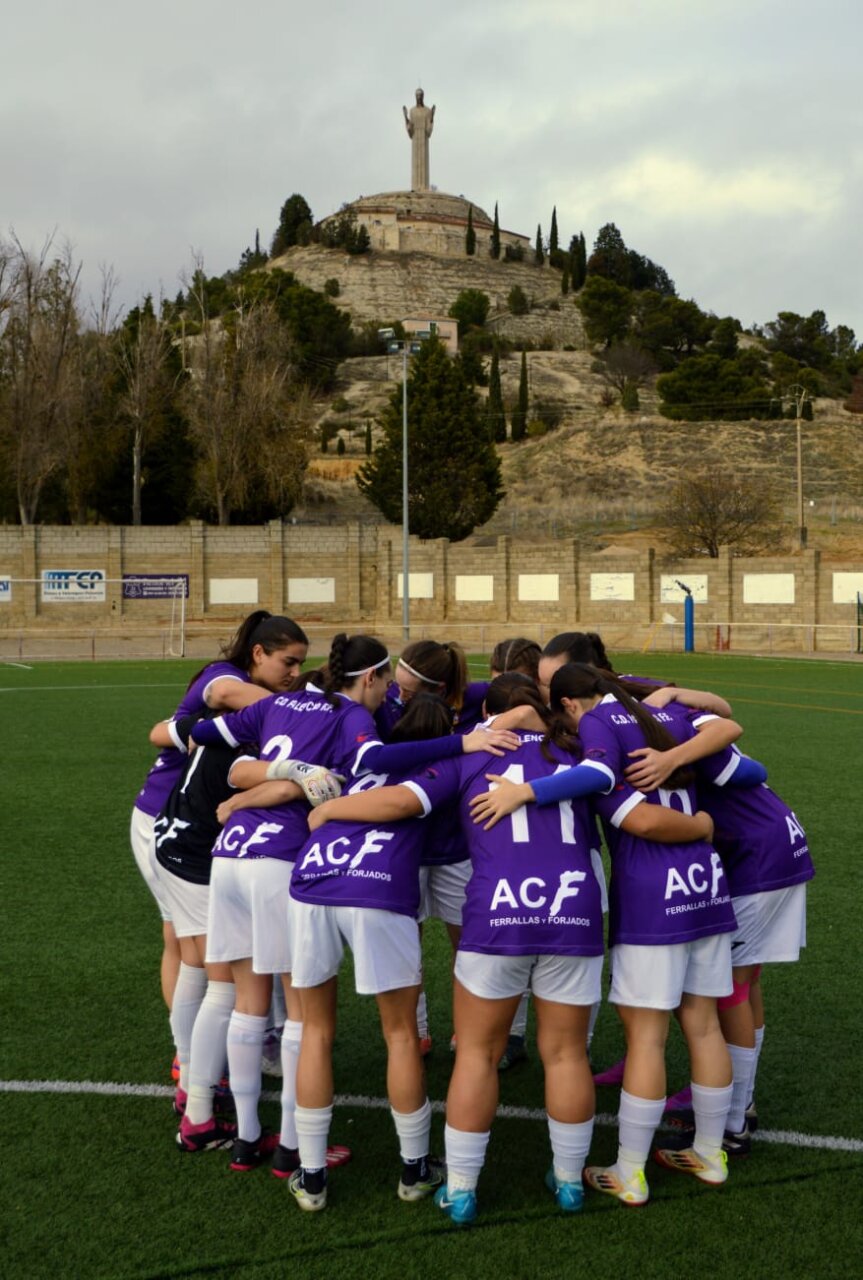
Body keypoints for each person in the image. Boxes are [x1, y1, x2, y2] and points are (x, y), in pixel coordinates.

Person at [307, 675, 717, 1223]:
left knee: (477, 1053)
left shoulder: (474, 752)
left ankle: (462, 1188)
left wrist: (329, 811)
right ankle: (569, 1181)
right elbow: (636, 809)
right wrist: (702, 823)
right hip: (572, 913)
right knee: (566, 1054)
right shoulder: (579, 749)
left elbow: (399, 802)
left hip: (497, 917)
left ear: (488, 715)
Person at [187, 634, 518, 1173]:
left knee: (285, 1016)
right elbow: (395, 778)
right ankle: (411, 1164)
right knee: (397, 1035)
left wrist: (277, 794)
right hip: (352, 883)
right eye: (386, 680)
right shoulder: (394, 747)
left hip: (288, 873)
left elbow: (200, 738)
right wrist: (470, 742)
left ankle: (294, 1162)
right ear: (372, 679)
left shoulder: (319, 734)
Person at [471, 663, 745, 1206]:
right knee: (704, 1023)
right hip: (705, 883)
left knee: (647, 1036)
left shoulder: (598, 723)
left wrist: (527, 791)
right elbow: (733, 738)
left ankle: (629, 1171)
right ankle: (711, 1153)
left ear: (573, 703)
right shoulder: (663, 710)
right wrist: (704, 822)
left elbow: (630, 812)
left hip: (654, 891)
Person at [286, 693, 457, 1212]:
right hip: (377, 890)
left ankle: (311, 1176)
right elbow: (404, 805)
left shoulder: (362, 765)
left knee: (315, 1031)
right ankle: (414, 1169)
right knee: (401, 1033)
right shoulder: (445, 767)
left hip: (311, 885)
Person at [130, 611, 308, 1038]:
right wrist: (305, 712)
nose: (295, 673)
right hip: (168, 817)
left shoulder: (261, 689)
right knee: (202, 952)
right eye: (288, 662)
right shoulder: (222, 675)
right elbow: (218, 697)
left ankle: (200, 1054)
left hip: (194, 818)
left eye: (301, 664)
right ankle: (197, 1057)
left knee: (192, 945)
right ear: (259, 653)